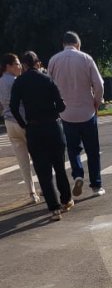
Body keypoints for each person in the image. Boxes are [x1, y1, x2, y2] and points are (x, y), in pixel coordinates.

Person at [10, 51, 73, 222]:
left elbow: (13, 107)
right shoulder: (47, 79)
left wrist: (24, 124)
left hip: (34, 128)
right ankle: (66, 200)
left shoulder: (19, 82)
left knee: (43, 171)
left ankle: (54, 208)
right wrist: (53, 112)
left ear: (24, 65)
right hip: (53, 127)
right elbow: (61, 105)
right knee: (59, 166)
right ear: (37, 63)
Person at [48, 31, 105, 198]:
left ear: (63, 44)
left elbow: (49, 86)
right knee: (92, 150)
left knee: (73, 149)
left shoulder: (54, 60)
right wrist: (97, 101)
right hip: (87, 112)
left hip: (66, 114)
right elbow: (99, 85)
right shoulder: (86, 58)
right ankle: (96, 185)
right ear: (78, 44)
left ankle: (78, 175)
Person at [0, 53, 39, 203]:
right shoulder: (17, 81)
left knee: (22, 160)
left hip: (9, 123)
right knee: (36, 155)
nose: (20, 67)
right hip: (22, 120)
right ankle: (44, 185)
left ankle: (31, 192)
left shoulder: (1, 81)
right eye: (16, 64)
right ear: (8, 66)